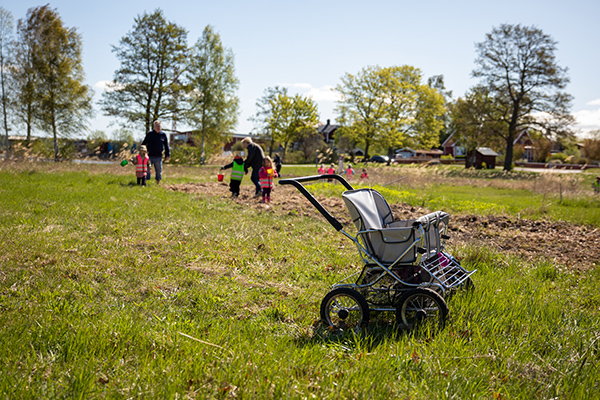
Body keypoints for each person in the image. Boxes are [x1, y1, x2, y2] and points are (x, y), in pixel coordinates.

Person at [141, 120, 170, 184]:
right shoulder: (149, 134)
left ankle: (157, 183)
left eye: (159, 126)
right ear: (154, 127)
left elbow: (166, 145)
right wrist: (142, 151)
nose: (158, 127)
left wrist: (167, 154)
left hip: (159, 156)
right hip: (149, 155)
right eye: (157, 126)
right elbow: (144, 143)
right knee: (147, 169)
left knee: (159, 170)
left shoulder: (163, 135)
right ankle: (144, 182)